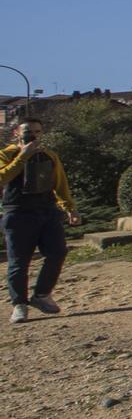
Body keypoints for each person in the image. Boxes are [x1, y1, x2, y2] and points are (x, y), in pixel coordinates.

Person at [1, 118, 80, 325]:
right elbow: (2, 177)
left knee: (58, 252)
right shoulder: (6, 154)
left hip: (47, 211)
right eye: (28, 132)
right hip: (17, 212)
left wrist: (70, 208)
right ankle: (19, 304)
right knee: (19, 261)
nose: (33, 135)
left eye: (37, 132)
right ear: (16, 134)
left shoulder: (49, 156)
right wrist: (22, 157)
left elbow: (60, 184)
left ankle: (42, 295)